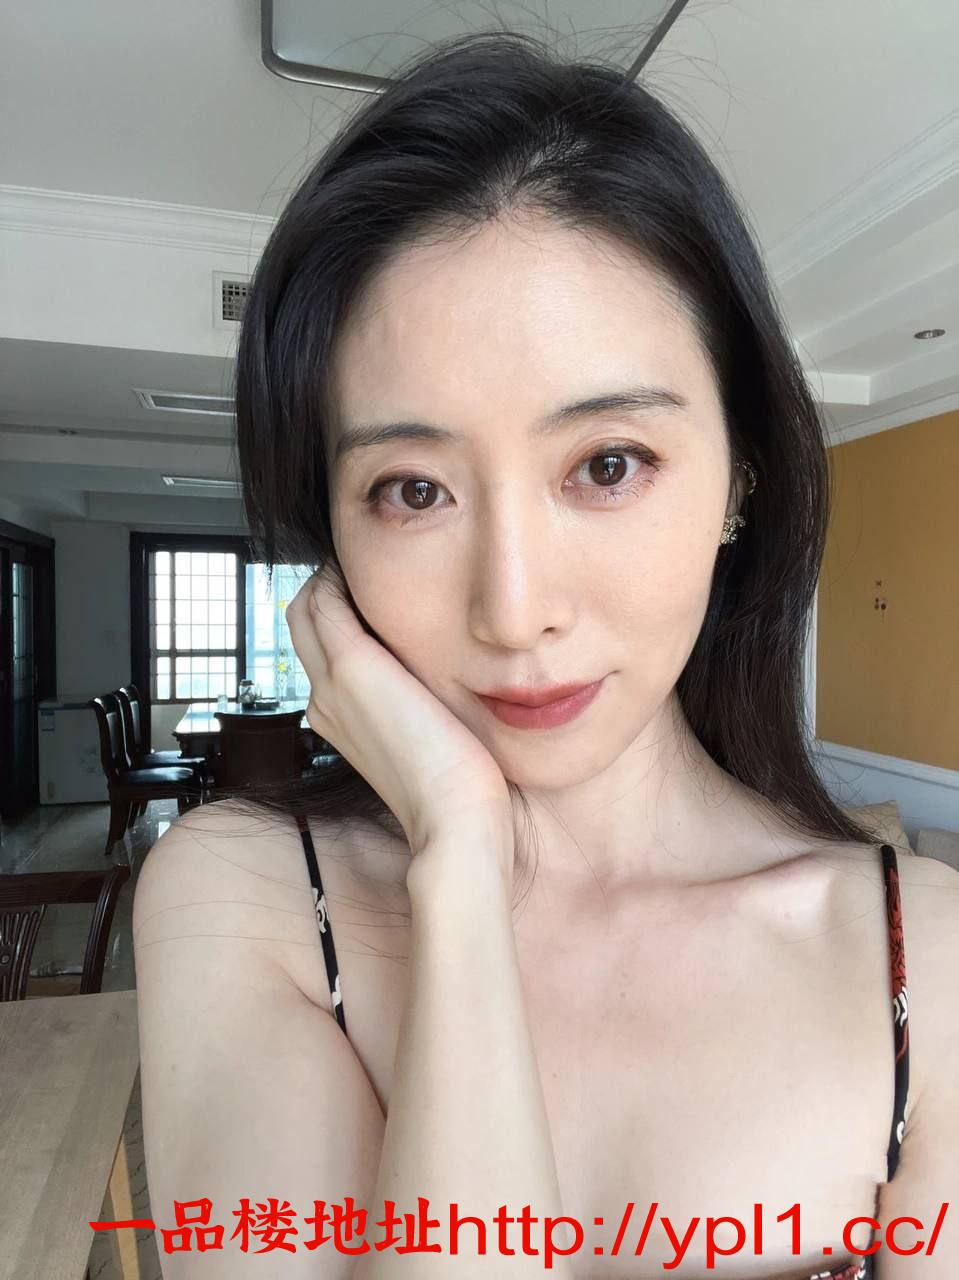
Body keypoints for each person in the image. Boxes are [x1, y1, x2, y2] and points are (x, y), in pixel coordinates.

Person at [132, 31, 958, 1279]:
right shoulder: (245, 899)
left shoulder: (922, 958)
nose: (512, 611)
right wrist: (459, 869)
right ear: (331, 536)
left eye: (605, 464)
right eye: (413, 489)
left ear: (739, 478)